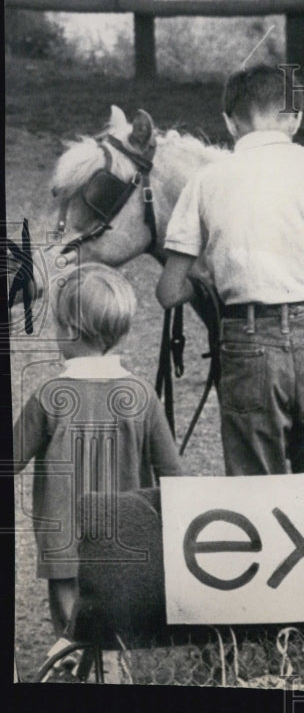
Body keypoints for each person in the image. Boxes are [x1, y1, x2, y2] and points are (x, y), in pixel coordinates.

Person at [156, 64, 304, 476]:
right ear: (296, 118)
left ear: (230, 124)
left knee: (255, 493)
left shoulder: (206, 182)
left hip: (246, 343)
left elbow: (167, 292)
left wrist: (208, 277)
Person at [13, 263, 182, 667]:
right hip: (127, 541)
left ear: (69, 330)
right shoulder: (141, 394)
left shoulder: (49, 394)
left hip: (64, 543)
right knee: (116, 639)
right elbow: (174, 476)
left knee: (72, 636)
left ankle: (80, 675)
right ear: (121, 331)